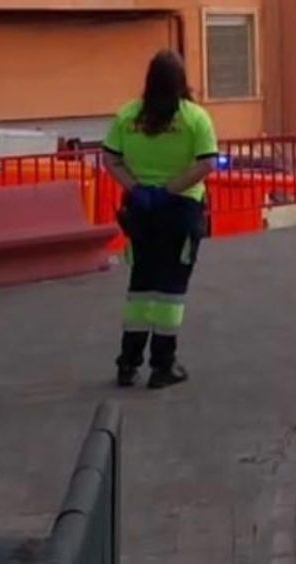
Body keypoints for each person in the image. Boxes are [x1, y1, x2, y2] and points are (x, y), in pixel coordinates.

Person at [102, 50, 219, 389]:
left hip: (141, 211)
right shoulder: (194, 118)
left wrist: (138, 189)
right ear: (181, 81)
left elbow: (110, 159)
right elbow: (207, 163)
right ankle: (162, 365)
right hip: (180, 210)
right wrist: (170, 189)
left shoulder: (128, 115)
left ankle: (127, 363)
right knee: (171, 288)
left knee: (140, 284)